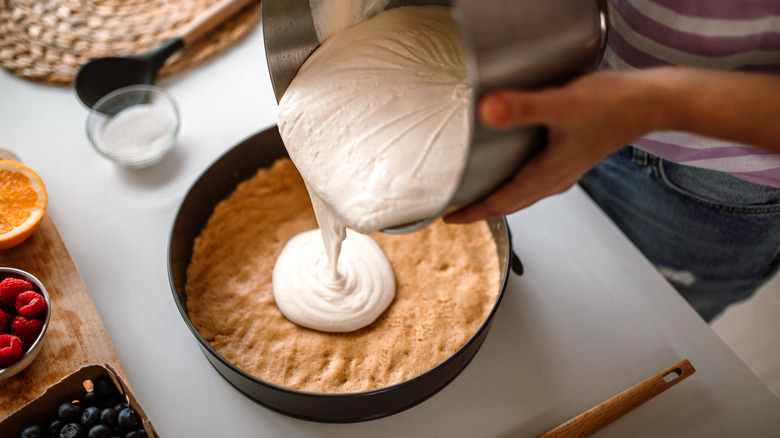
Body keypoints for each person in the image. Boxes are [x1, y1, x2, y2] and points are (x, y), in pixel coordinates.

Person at [444, 0, 780, 322]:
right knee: (566, 257)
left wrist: (655, 105)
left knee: (653, 313)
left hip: (712, 178)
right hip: (562, 61)